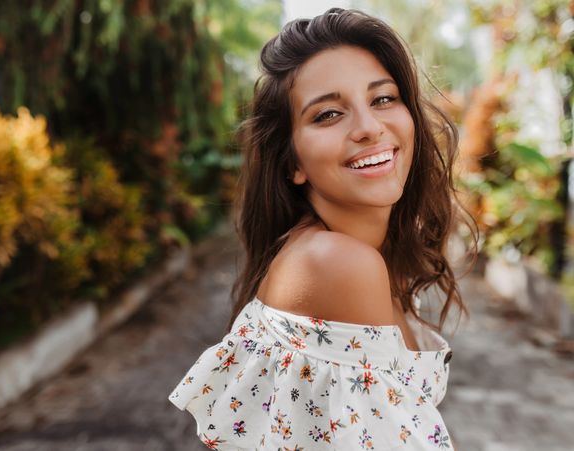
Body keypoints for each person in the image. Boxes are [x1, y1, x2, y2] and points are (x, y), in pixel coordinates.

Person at [169, 7, 475, 450]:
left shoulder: (366, 253)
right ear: (292, 161)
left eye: (383, 98)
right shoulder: (335, 263)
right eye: (329, 114)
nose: (370, 128)